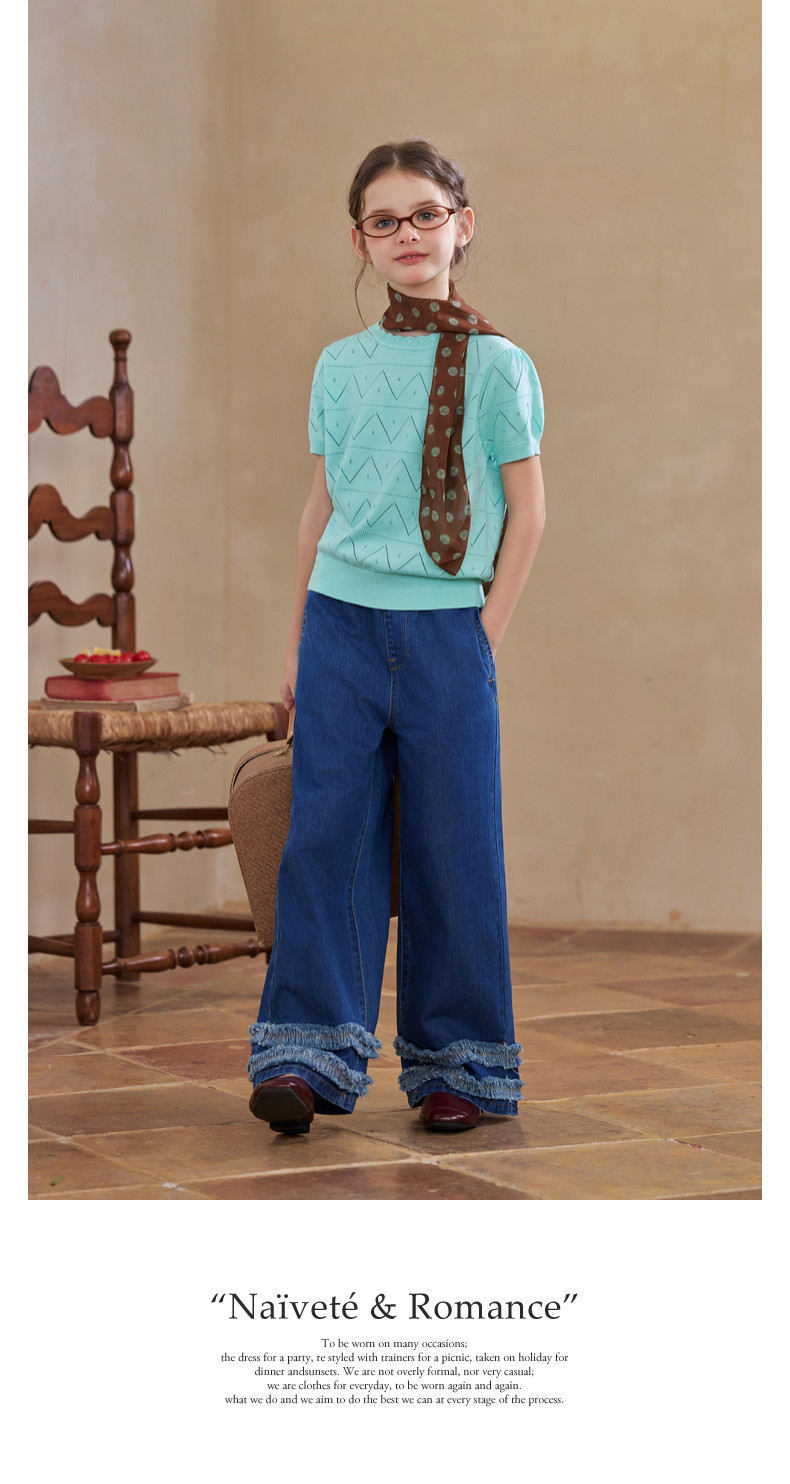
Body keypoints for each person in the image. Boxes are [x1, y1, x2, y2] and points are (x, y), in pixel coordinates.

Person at [248, 138, 546, 1135]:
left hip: (447, 630)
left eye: (426, 214)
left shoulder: (501, 366)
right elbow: (320, 507)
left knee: (454, 846)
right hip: (340, 624)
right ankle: (304, 1055)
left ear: (463, 224)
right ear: (360, 242)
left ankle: (462, 1064)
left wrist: (481, 636)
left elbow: (529, 512)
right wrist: (298, 643)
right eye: (385, 220)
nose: (408, 234)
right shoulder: (340, 367)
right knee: (323, 839)